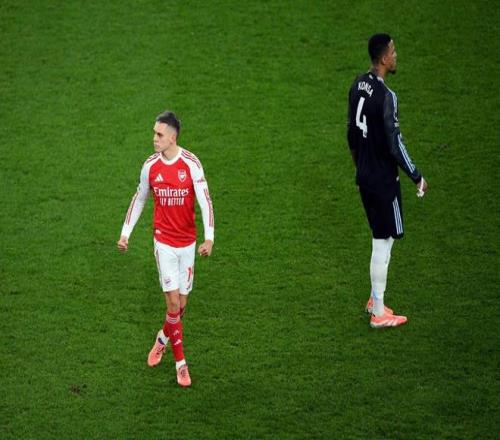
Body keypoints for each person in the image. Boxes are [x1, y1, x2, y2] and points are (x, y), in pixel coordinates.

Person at [117, 111, 214, 386]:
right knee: (172, 303)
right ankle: (181, 364)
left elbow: (205, 201)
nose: (154, 138)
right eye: (154, 133)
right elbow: (139, 199)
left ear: (172, 137)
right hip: (164, 243)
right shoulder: (150, 166)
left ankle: (162, 338)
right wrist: (125, 234)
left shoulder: (191, 164)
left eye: (159, 134)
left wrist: (209, 238)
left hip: (188, 243)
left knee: (180, 307)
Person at [347, 34, 428, 328]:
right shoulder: (387, 97)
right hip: (382, 180)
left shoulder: (358, 84)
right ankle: (378, 312)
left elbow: (351, 134)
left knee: (381, 236)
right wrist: (416, 176)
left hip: (365, 175)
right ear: (383, 58)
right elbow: (395, 145)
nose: (395, 55)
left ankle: (374, 299)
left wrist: (359, 168)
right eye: (393, 51)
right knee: (383, 240)